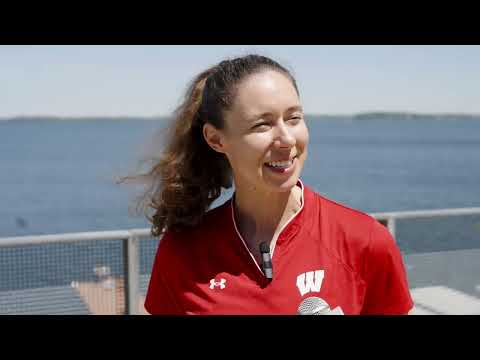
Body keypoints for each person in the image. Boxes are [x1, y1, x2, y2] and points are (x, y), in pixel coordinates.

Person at [139, 54, 414, 315]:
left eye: (294, 118)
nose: (287, 139)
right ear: (215, 139)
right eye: (262, 125)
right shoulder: (182, 251)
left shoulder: (365, 241)